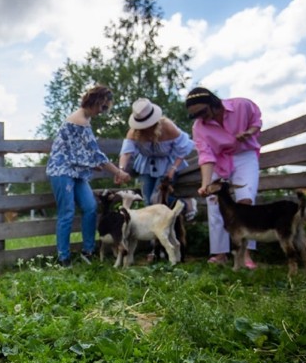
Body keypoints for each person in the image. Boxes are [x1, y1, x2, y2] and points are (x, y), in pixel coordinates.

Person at [46, 85, 131, 266]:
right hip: (62, 171)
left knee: (90, 206)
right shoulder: (80, 121)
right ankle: (63, 258)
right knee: (67, 212)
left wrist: (92, 164)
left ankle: (88, 251)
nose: (103, 111)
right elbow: (96, 154)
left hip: (76, 171)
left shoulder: (85, 119)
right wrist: (118, 172)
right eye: (104, 107)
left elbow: (78, 150)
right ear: (96, 102)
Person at [185, 87, 262, 269]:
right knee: (214, 202)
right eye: (195, 115)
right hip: (219, 160)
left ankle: (246, 254)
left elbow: (256, 120)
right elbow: (206, 157)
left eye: (202, 112)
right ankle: (220, 253)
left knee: (246, 200)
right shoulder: (199, 127)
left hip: (244, 155)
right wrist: (205, 185)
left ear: (214, 103)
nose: (200, 118)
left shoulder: (242, 105)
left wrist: (249, 132)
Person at [117, 98, 197, 218]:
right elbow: (126, 152)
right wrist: (121, 169)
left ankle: (186, 204)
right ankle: (154, 231)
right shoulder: (134, 132)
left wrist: (173, 168)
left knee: (156, 198)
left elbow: (183, 149)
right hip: (146, 165)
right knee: (148, 201)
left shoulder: (168, 127)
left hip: (167, 165)